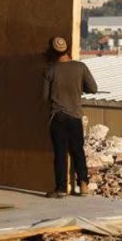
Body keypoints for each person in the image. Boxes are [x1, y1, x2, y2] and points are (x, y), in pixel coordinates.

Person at [42, 36, 98, 198]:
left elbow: (44, 97)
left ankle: (60, 189)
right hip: (75, 116)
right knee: (78, 151)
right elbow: (93, 88)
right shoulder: (80, 67)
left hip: (57, 117)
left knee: (60, 153)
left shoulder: (50, 70)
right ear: (68, 50)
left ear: (52, 52)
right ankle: (83, 185)